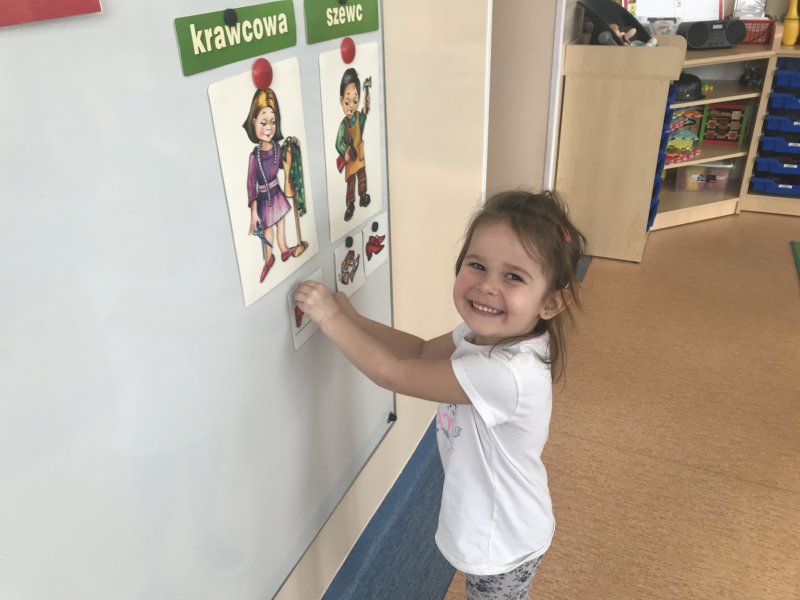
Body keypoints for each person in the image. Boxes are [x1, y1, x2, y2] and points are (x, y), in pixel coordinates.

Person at [294, 190, 586, 599]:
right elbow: (417, 352)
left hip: (503, 541)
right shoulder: (481, 335)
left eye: (513, 277)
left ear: (552, 303)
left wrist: (329, 318)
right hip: (496, 524)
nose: (487, 286)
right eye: (477, 265)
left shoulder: (506, 373)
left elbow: (393, 374)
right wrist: (353, 319)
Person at [243, 87, 308, 284]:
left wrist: (291, 148)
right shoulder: (254, 156)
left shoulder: (278, 149)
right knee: (267, 228)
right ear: (254, 121)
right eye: (263, 123)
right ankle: (268, 259)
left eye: (272, 122)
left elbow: (283, 165)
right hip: (264, 198)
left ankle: (284, 249)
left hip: (276, 192)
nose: (269, 128)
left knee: (281, 223)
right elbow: (250, 185)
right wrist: (253, 212)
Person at [335, 67, 371, 222]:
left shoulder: (358, 117)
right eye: (347, 102)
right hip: (350, 157)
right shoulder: (343, 125)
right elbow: (338, 143)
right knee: (351, 182)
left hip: (360, 156)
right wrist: (346, 152)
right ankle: (350, 204)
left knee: (362, 177)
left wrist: (367, 92)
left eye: (355, 101)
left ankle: (363, 195)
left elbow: (365, 112)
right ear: (341, 100)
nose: (351, 106)